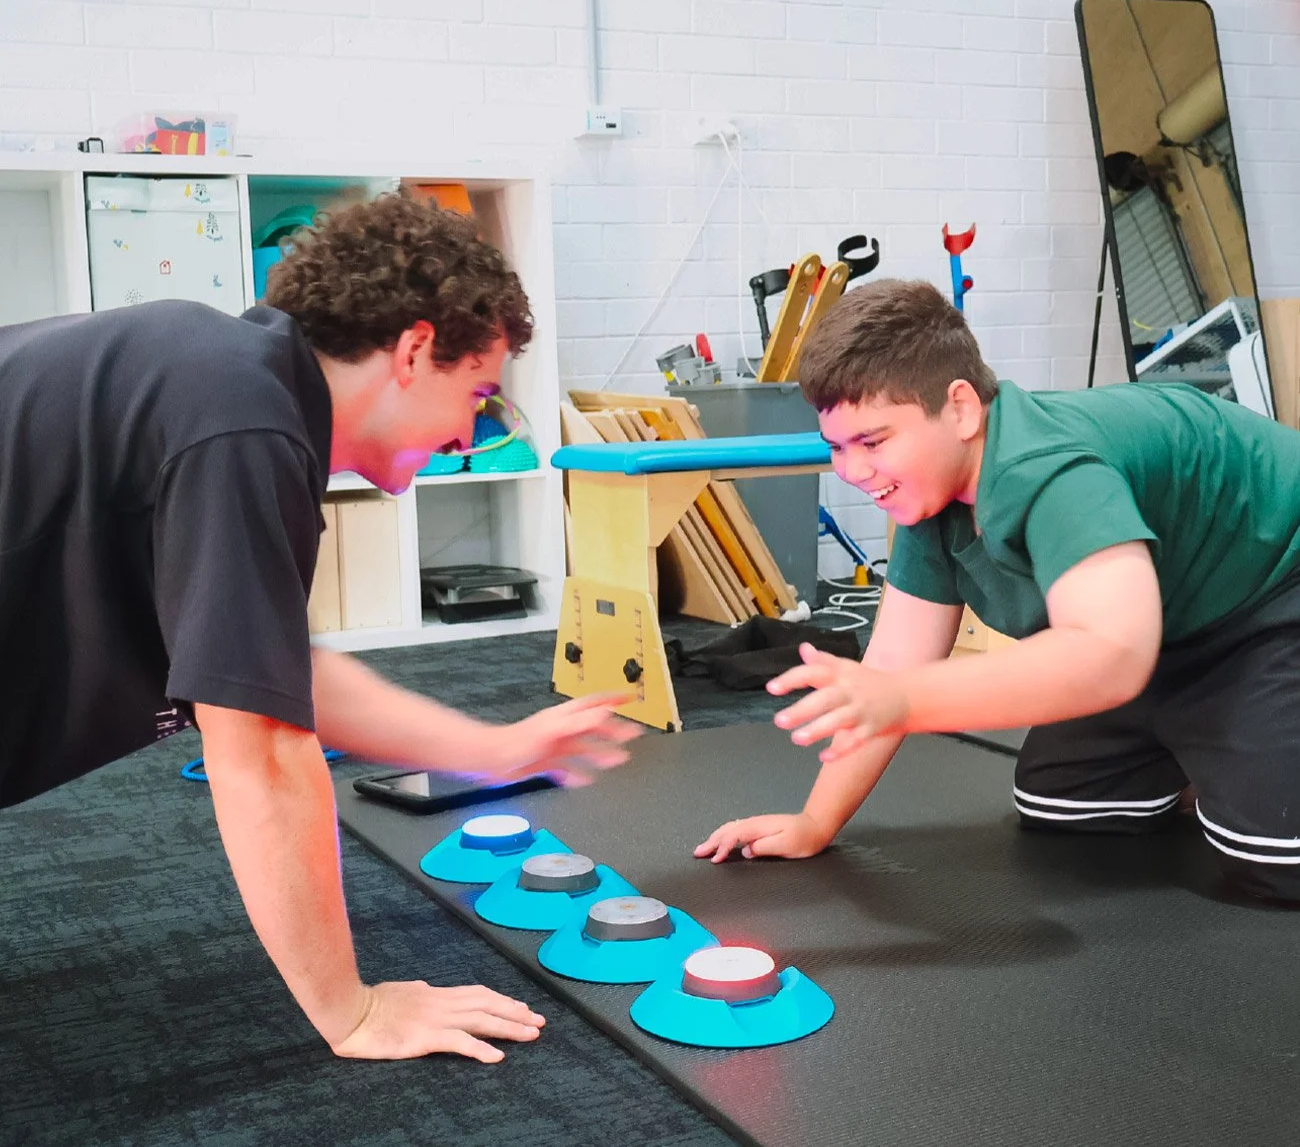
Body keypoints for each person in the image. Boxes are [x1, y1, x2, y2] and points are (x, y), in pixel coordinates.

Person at [0, 192, 637, 1063]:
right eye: (478, 393)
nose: (467, 435)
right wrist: (353, 1009)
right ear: (415, 350)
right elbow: (259, 744)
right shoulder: (240, 418)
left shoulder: (229, 383)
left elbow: (274, 669)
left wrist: (489, 752)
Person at [696, 277, 1300, 905]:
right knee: (1060, 807)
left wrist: (904, 699)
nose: (853, 472)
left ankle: (1238, 738)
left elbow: (1112, 655)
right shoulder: (929, 500)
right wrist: (814, 823)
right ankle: (1209, 741)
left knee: (1276, 858)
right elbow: (896, 661)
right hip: (1171, 624)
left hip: (1275, 587)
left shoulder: (1051, 471)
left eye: (873, 442)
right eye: (837, 447)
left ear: (959, 408)